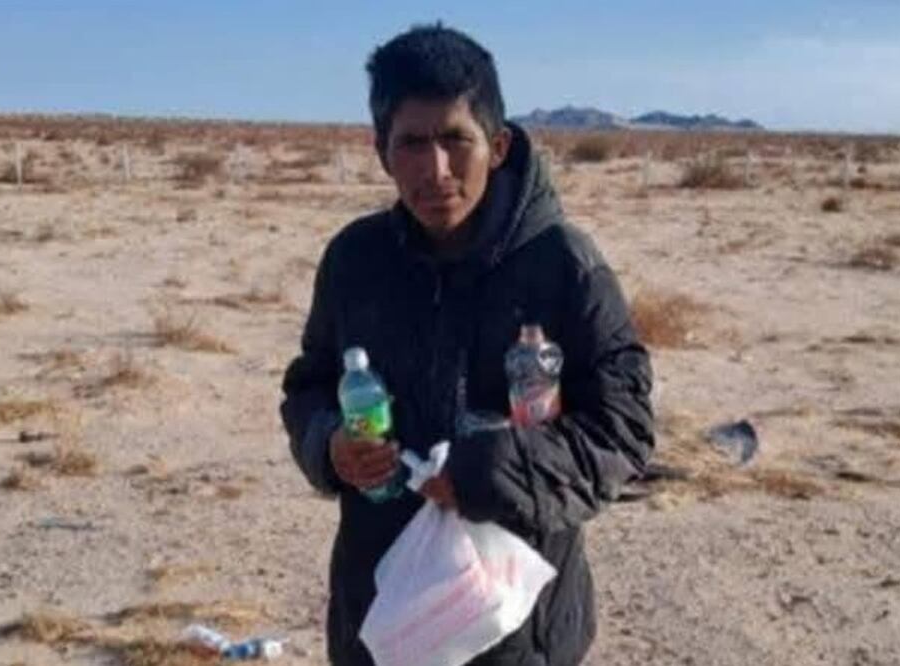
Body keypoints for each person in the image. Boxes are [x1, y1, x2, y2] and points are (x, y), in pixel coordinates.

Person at [280, 23, 654, 666]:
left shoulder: (563, 265)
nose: (436, 170)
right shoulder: (354, 261)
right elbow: (309, 385)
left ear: (498, 145)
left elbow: (623, 431)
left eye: (456, 139)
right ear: (381, 151)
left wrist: (486, 474)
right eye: (411, 144)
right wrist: (329, 444)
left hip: (518, 629)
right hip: (383, 619)